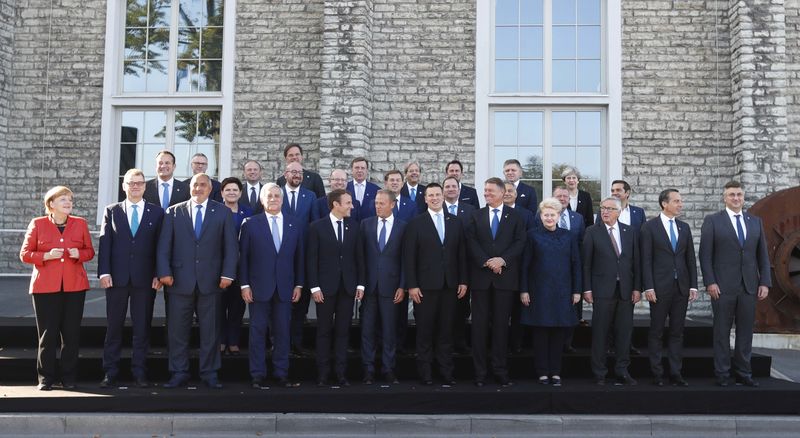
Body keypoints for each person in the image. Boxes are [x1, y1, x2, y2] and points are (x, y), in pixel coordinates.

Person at [157, 173, 238, 389]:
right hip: (178, 281)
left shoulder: (222, 212)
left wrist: (227, 274)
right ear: (189, 187)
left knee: (210, 331)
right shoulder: (173, 212)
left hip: (211, 282)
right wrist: (163, 272)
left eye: (203, 185)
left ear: (210, 189)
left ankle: (209, 372)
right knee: (177, 331)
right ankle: (178, 372)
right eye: (195, 185)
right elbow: (164, 246)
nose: (198, 188)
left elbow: (231, 247)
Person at [20, 186, 95, 391]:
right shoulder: (38, 224)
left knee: (71, 334)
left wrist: (77, 253)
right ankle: (45, 378)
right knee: (48, 334)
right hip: (45, 287)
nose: (68, 202)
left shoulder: (80, 224)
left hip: (74, 286)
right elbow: (25, 254)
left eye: (70, 199)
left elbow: (89, 252)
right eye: (63, 199)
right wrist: (45, 256)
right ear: (51, 204)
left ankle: (69, 378)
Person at [699, 180, 771, 387]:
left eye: (739, 194)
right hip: (722, 287)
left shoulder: (755, 222)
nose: (736, 198)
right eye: (731, 194)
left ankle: (744, 373)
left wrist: (764, 282)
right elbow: (705, 256)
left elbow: (763, 256)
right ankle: (722, 373)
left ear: (743, 196)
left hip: (749, 286)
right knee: (721, 332)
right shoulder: (713, 221)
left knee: (745, 332)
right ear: (724, 197)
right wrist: (710, 282)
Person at [97, 169, 163, 389]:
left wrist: (158, 273)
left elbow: (160, 247)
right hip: (116, 279)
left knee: (142, 328)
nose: (135, 186)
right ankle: (110, 372)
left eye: (139, 183)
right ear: (123, 186)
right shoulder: (112, 211)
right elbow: (105, 244)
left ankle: (140, 372)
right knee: (113, 327)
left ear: (145, 186)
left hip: (145, 280)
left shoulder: (157, 212)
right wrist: (104, 272)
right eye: (131, 183)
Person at [239, 183, 304, 388]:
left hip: (286, 286)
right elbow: (244, 258)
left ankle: (281, 373)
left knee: (283, 331)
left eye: (277, 195)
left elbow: (299, 257)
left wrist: (299, 284)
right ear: (262, 199)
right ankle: (257, 374)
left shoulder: (295, 224)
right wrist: (244, 285)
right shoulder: (250, 223)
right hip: (258, 287)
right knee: (257, 331)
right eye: (269, 195)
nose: (274, 199)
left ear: (282, 200)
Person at [403, 183, 468, 385]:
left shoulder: (456, 222)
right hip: (424, 287)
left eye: (437, 194)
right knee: (425, 331)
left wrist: (464, 280)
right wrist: (412, 285)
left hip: (450, 286)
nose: (434, 198)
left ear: (443, 196)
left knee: (446, 331)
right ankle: (426, 373)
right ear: (425, 199)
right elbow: (409, 257)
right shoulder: (416, 223)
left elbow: (461, 254)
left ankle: (446, 372)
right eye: (430, 195)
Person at [466, 177, 526, 387]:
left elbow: (520, 242)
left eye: (491, 191)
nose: (486, 194)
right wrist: (486, 261)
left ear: (502, 192)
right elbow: (471, 242)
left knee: (501, 327)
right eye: (485, 191)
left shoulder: (516, 217)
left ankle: (500, 371)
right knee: (479, 328)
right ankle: (480, 373)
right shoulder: (476, 216)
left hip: (505, 279)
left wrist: (503, 260)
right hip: (481, 280)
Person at [520, 198, 581, 386]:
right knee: (540, 334)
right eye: (545, 214)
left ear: (558, 216)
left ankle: (555, 372)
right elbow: (525, 265)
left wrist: (577, 290)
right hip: (539, 291)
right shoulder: (532, 235)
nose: (548, 217)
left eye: (552, 214)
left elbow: (576, 264)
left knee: (558, 334)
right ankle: (542, 373)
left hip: (563, 291)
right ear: (541, 216)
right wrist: (524, 290)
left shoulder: (569, 236)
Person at [306, 189, 364, 387]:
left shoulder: (355, 227)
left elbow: (359, 259)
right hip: (324, 289)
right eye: (348, 203)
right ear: (335, 205)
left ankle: (341, 373)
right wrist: (314, 287)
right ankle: (322, 374)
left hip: (347, 288)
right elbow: (311, 260)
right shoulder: (316, 227)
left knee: (343, 331)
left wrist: (360, 284)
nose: (352, 206)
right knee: (323, 331)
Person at [640, 189, 698, 387]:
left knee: (677, 332)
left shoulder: (684, 228)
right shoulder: (649, 228)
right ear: (664, 204)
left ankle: (675, 373)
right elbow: (645, 260)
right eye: (677, 201)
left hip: (681, 287)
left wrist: (693, 285)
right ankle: (657, 373)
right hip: (658, 287)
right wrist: (648, 286)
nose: (680, 204)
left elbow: (690, 258)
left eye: (680, 201)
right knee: (656, 331)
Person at [583, 197, 641, 386]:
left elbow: (636, 263)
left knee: (624, 333)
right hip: (601, 290)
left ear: (618, 212)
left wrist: (636, 288)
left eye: (609, 209)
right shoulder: (592, 232)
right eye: (602, 208)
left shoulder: (629, 232)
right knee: (600, 332)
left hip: (625, 290)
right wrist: (587, 289)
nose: (605, 212)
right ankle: (599, 372)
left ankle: (622, 370)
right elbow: (586, 264)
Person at [358, 189, 406, 384]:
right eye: (376, 203)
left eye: (381, 203)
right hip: (369, 287)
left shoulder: (403, 227)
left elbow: (406, 259)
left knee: (389, 330)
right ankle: (368, 369)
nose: (377, 206)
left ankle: (388, 368)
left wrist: (402, 286)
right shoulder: (365, 224)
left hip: (392, 287)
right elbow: (360, 258)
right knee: (367, 330)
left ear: (392, 204)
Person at [218, 177, 253, 356]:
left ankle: (233, 341)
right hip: (219, 267)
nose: (231, 192)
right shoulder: (215, 210)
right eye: (228, 190)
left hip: (241, 267)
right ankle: (221, 340)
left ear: (240, 193)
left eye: (235, 190)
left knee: (237, 306)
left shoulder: (248, 212)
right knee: (219, 306)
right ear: (222, 192)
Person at [442, 175, 475, 353]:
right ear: (443, 190)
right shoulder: (436, 209)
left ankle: (460, 342)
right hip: (441, 268)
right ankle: (444, 343)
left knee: (462, 307)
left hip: (464, 266)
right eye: (447, 186)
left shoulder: (470, 210)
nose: (451, 189)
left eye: (454, 186)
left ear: (459, 189)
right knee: (444, 309)